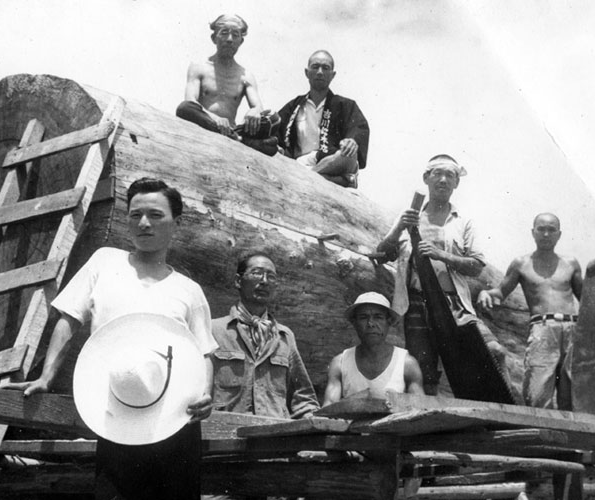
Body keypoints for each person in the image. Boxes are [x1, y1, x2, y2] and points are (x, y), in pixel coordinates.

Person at [2, 178, 218, 500]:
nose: (143, 223)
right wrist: (47, 376)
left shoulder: (188, 289)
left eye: (156, 215)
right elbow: (68, 319)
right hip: (118, 413)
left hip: (176, 422)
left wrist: (204, 393)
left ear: (177, 223)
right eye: (135, 214)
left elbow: (204, 352)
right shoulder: (105, 262)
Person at [375, 154, 509, 396]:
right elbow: (381, 254)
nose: (444, 180)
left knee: (493, 351)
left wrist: (441, 255)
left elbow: (477, 265)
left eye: (451, 175)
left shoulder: (463, 222)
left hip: (455, 304)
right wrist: (398, 229)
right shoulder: (409, 216)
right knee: (423, 372)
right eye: (438, 174)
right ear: (426, 178)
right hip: (417, 302)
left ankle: (506, 410)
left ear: (457, 183)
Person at [477, 213, 595, 409]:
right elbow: (500, 291)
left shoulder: (570, 263)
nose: (546, 234)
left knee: (574, 393)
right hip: (542, 330)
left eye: (551, 230)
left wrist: (594, 274)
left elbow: (586, 301)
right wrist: (486, 293)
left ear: (559, 234)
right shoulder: (521, 263)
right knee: (538, 394)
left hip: (572, 330)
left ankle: (572, 437)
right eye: (541, 229)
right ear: (533, 232)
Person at [211, 251, 320, 419]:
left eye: (271, 277)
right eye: (257, 273)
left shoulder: (284, 337)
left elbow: (303, 396)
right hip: (224, 435)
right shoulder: (214, 330)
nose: (264, 281)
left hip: (273, 439)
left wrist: (310, 417)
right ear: (238, 281)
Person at [176, 14, 280, 156]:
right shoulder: (198, 67)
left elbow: (258, 106)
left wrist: (254, 112)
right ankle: (241, 141)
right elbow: (190, 100)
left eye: (235, 35)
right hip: (202, 126)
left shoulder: (246, 75)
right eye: (224, 33)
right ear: (214, 38)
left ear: (241, 41)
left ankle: (237, 137)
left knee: (273, 118)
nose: (230, 39)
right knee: (184, 108)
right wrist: (215, 119)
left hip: (232, 129)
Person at [275, 50, 370, 188]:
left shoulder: (346, 105)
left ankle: (308, 177)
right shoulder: (294, 106)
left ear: (333, 75)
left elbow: (359, 129)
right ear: (306, 73)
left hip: (331, 162)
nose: (320, 72)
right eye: (315, 67)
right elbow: (276, 132)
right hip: (299, 164)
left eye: (325, 68)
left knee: (349, 156)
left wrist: (352, 141)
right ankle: (338, 180)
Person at [323, 292, 424, 405]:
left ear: (388, 322)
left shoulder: (407, 364)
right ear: (354, 323)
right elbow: (329, 407)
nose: (371, 324)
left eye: (378, 317)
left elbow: (419, 410)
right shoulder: (340, 363)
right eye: (363, 317)